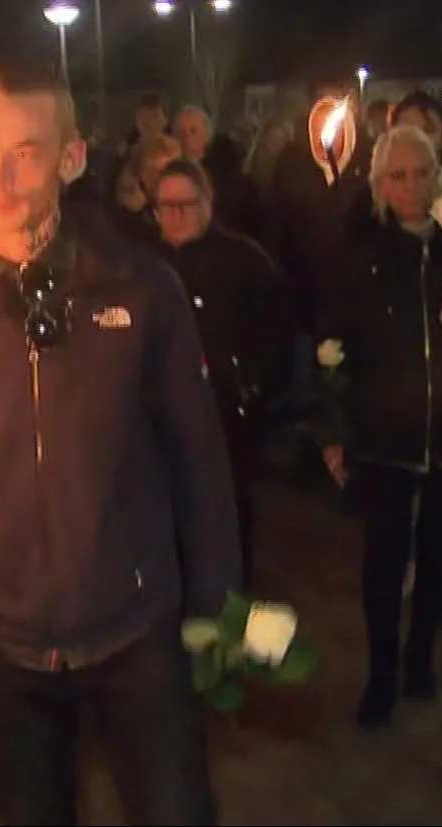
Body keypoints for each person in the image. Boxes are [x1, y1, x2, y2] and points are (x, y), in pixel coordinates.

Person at [0, 57, 240, 826]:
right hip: (2, 639)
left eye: (26, 152)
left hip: (135, 624)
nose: (0, 178)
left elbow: (198, 456)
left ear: (72, 157)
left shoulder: (141, 288)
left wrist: (216, 600)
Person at [318, 125, 442, 730]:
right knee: (384, 558)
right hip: (384, 432)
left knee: (440, 552)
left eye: (422, 174)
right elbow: (335, 345)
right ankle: (382, 672)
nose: (411, 187)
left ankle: (420, 655)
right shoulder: (362, 254)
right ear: (379, 184)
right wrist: (335, 428)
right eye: (398, 176)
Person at [151, 158, 288, 588]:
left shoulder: (243, 261)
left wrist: (250, 388)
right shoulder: (143, 264)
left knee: (226, 525)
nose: (176, 215)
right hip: (160, 424)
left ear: (207, 203)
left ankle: (228, 608)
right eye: (166, 206)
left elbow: (275, 333)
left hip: (227, 420)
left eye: (186, 204)